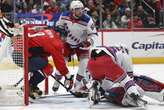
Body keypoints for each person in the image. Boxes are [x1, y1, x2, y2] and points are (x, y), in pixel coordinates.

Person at [87, 45, 164, 106]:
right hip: (107, 62)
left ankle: (95, 87)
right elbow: (129, 79)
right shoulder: (125, 54)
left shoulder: (113, 49)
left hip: (91, 63)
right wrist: (134, 93)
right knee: (133, 80)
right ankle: (160, 93)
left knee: (99, 80)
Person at [12, 26, 74, 99]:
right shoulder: (56, 42)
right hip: (24, 56)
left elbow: (38, 47)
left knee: (43, 63)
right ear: (59, 34)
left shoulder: (47, 32)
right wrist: (68, 76)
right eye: (64, 37)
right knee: (48, 68)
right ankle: (28, 87)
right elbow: (59, 62)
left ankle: (32, 86)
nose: (65, 40)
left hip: (18, 54)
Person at [52, 0, 98, 97]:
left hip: (81, 44)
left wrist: (88, 42)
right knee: (61, 63)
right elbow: (58, 27)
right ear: (72, 10)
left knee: (84, 64)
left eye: (81, 9)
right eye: (77, 9)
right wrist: (60, 32)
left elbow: (94, 34)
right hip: (67, 43)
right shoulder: (64, 15)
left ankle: (77, 85)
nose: (80, 11)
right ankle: (57, 81)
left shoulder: (87, 20)